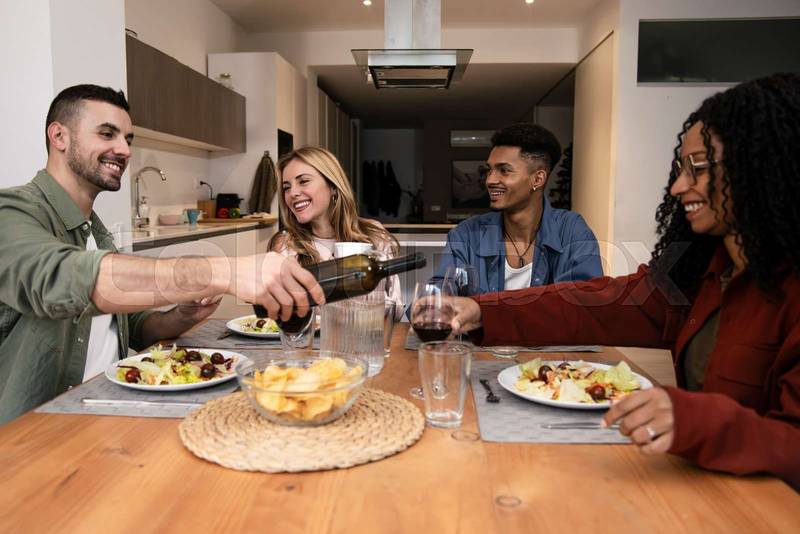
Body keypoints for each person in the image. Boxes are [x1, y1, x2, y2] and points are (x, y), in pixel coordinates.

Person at [447, 73, 800, 487]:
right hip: (702, 487)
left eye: (698, 168)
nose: (678, 186)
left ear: (766, 165)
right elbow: (598, 303)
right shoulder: (700, 269)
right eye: (680, 168)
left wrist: (694, 419)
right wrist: (481, 309)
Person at [0, 85, 323, 424]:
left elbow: (132, 328)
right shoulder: (12, 213)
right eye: (107, 134)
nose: (123, 149)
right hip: (39, 431)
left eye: (128, 139)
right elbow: (61, 276)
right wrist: (223, 272)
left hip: (109, 409)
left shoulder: (95, 231)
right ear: (59, 136)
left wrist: (181, 316)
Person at [434, 123, 602, 295]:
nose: (490, 180)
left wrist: (482, 310)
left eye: (504, 171)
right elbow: (438, 296)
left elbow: (585, 302)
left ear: (538, 179)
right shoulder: (466, 235)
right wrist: (429, 304)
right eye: (489, 170)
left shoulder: (571, 231)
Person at [269, 146, 403, 309]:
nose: (293, 193)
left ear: (332, 186)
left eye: (303, 181)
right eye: (286, 187)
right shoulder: (285, 246)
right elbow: (279, 313)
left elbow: (396, 308)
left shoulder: (374, 235)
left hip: (367, 332)